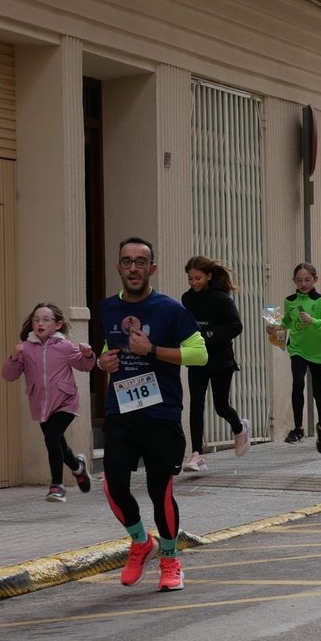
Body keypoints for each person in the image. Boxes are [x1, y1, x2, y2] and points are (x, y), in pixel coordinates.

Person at [97, 236, 208, 592]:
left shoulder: (170, 309)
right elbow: (108, 347)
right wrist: (102, 362)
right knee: (114, 485)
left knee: (160, 491)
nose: (133, 268)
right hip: (121, 410)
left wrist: (153, 350)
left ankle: (170, 559)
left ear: (152, 268)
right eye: (127, 261)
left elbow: (200, 354)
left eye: (140, 262)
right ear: (119, 267)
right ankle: (141, 541)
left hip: (161, 413)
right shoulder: (107, 308)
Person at [1, 302, 96, 501]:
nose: (40, 323)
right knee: (56, 441)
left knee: (52, 436)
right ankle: (77, 467)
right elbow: (9, 376)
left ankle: (57, 486)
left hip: (65, 401)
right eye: (36, 320)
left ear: (58, 324)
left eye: (46, 319)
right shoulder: (26, 349)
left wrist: (88, 355)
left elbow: (84, 366)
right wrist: (14, 357)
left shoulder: (65, 346)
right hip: (41, 405)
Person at [181, 255, 247, 473]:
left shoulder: (221, 298)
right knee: (196, 405)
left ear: (208, 276)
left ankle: (239, 428)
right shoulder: (187, 299)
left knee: (221, 406)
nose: (194, 283)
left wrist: (209, 334)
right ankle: (196, 455)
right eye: (190, 279)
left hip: (220, 359)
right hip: (197, 358)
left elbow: (236, 326)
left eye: (198, 278)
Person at [280, 262, 321, 453]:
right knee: (297, 383)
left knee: (318, 393)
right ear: (294, 281)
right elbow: (287, 322)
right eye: (299, 280)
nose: (303, 284)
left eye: (307, 280)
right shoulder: (290, 301)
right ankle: (298, 429)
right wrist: (274, 327)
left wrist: (314, 321)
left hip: (319, 352)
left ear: (315, 280)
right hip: (297, 349)